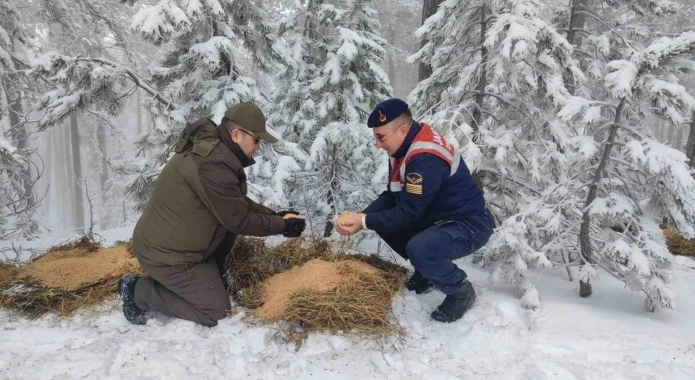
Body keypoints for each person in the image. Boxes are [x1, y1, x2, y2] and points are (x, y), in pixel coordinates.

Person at [117, 103, 306, 327]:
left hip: (179, 246)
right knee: (215, 311)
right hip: (167, 256)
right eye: (257, 140)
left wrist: (275, 216)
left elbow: (232, 202)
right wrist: (282, 226)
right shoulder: (213, 163)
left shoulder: (215, 153)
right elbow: (239, 220)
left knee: (225, 224)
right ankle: (138, 291)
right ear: (236, 135)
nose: (258, 148)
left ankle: (208, 276)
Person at [335, 98, 493, 323]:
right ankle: (426, 273)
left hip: (467, 223)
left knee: (420, 248)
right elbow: (393, 196)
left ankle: (460, 291)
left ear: (401, 130)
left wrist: (363, 221)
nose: (377, 144)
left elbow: (408, 214)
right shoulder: (404, 147)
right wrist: (361, 216)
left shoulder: (424, 156)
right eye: (375, 137)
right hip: (438, 217)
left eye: (380, 137)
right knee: (381, 222)